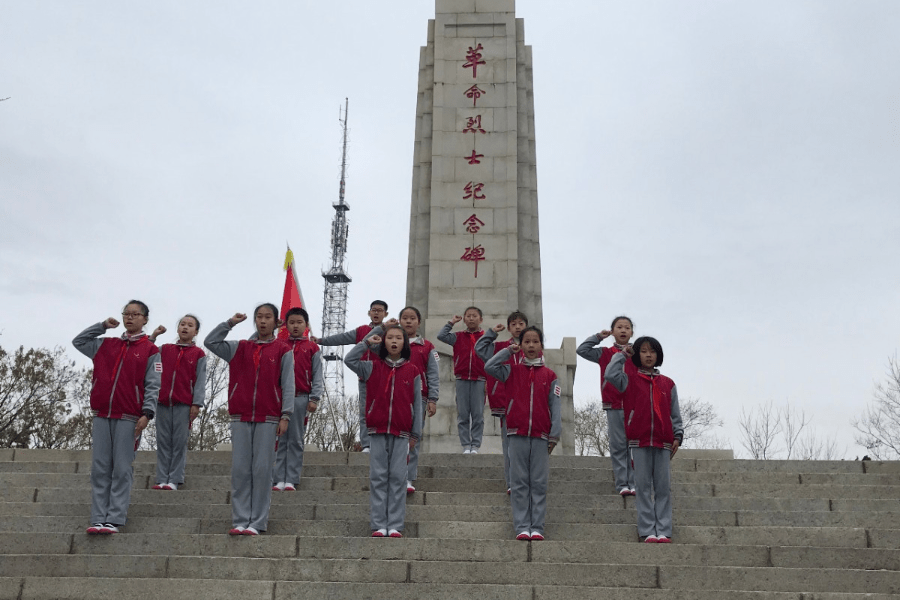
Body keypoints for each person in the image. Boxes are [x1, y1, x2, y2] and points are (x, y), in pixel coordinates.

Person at [204, 304, 294, 536]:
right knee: (241, 470)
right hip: (240, 416)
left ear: (277, 322)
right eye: (259, 317)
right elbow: (210, 342)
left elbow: (288, 385)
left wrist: (286, 415)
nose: (263, 321)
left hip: (269, 417)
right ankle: (241, 519)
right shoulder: (240, 348)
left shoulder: (283, 350)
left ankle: (257, 522)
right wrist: (230, 323)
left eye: (268, 317)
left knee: (262, 470)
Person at [73, 300, 160, 535]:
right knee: (100, 468)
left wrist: (147, 413)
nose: (130, 318)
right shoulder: (106, 344)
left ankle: (115, 518)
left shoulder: (151, 350)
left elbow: (153, 384)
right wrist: (101, 326)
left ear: (145, 319)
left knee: (122, 468)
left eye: (135, 314)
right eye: (126, 313)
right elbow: (78, 342)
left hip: (129, 417)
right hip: (102, 414)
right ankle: (98, 517)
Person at [345, 324, 424, 538]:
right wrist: (366, 342)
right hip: (377, 431)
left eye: (399, 338)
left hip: (402, 433)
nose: (394, 341)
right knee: (378, 477)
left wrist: (415, 433)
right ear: (384, 341)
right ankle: (379, 524)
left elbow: (417, 404)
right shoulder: (372, 367)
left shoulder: (413, 371)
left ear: (405, 343)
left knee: (398, 477)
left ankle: (395, 524)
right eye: (390, 337)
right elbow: (349, 360)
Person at [484, 326, 561, 541]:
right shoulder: (511, 370)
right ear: (521, 345)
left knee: (538, 482)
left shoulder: (550, 375)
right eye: (526, 341)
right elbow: (490, 366)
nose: (530, 345)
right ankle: (521, 526)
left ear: (541, 346)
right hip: (516, 433)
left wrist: (554, 435)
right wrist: (508, 351)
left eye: (535, 341)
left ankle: (537, 526)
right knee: (518, 483)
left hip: (541, 436)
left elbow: (555, 406)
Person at [605, 336, 683, 544]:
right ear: (637, 355)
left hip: (664, 442)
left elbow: (675, 413)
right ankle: (647, 529)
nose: (648, 355)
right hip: (638, 442)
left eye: (652, 351)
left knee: (663, 488)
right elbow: (610, 374)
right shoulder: (628, 379)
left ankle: (664, 529)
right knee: (643, 487)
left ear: (658, 355)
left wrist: (678, 435)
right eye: (644, 351)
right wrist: (622, 355)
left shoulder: (668, 383)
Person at [313, 300, 389, 452]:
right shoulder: (361, 330)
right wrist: (321, 341)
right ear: (369, 312)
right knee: (364, 411)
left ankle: (383, 442)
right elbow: (342, 338)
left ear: (385, 314)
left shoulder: (389, 331)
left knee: (384, 410)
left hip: (383, 377)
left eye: (380, 310)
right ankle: (366, 444)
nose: (376, 313)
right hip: (364, 376)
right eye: (373, 310)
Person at [576, 316, 636, 496]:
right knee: (618, 445)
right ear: (613, 331)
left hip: (635, 405)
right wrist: (598, 336)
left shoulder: (638, 353)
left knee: (634, 446)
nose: (623, 330)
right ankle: (622, 484)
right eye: (619, 327)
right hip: (614, 404)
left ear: (632, 332)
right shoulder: (605, 353)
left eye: (627, 327)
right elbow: (582, 350)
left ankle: (635, 483)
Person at [149, 315, 206, 491]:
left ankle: (174, 479)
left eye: (190, 325)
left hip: (184, 404)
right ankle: (161, 478)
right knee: (163, 440)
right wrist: (154, 335)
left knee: (179, 442)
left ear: (196, 331)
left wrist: (196, 403)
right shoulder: (164, 349)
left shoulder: (198, 354)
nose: (185, 328)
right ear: (177, 328)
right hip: (163, 402)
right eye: (182, 324)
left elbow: (200, 380)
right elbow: (147, 353)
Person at [475, 310, 529, 493]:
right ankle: (512, 482)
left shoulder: (533, 349)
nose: (518, 327)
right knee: (509, 447)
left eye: (521, 323)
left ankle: (526, 480)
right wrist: (491, 333)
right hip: (506, 403)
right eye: (513, 324)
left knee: (526, 446)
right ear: (509, 328)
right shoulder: (500, 347)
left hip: (528, 403)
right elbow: (479, 350)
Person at [272, 307, 323, 491]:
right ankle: (277, 478)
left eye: (299, 322)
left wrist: (314, 398)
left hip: (301, 397)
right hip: (279, 399)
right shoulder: (279, 345)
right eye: (291, 322)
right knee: (279, 439)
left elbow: (318, 375)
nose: (295, 326)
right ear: (285, 325)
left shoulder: (312, 348)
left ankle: (291, 479)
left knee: (295, 439)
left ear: (306, 325)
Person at [397, 306, 439, 493]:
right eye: (404, 318)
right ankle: (394, 475)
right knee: (396, 437)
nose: (408, 321)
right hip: (395, 396)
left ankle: (408, 478)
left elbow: (433, 374)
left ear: (419, 322)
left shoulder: (427, 347)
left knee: (414, 438)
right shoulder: (393, 342)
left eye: (412, 318)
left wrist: (433, 398)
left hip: (419, 398)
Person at [437, 307, 486, 454]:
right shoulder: (458, 336)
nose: (471, 318)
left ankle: (475, 445)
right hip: (462, 379)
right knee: (463, 414)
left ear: (481, 319)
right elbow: (441, 336)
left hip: (480, 379)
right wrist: (451, 322)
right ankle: (466, 445)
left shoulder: (485, 338)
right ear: (464, 319)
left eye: (474, 316)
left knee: (478, 415)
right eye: (468, 316)